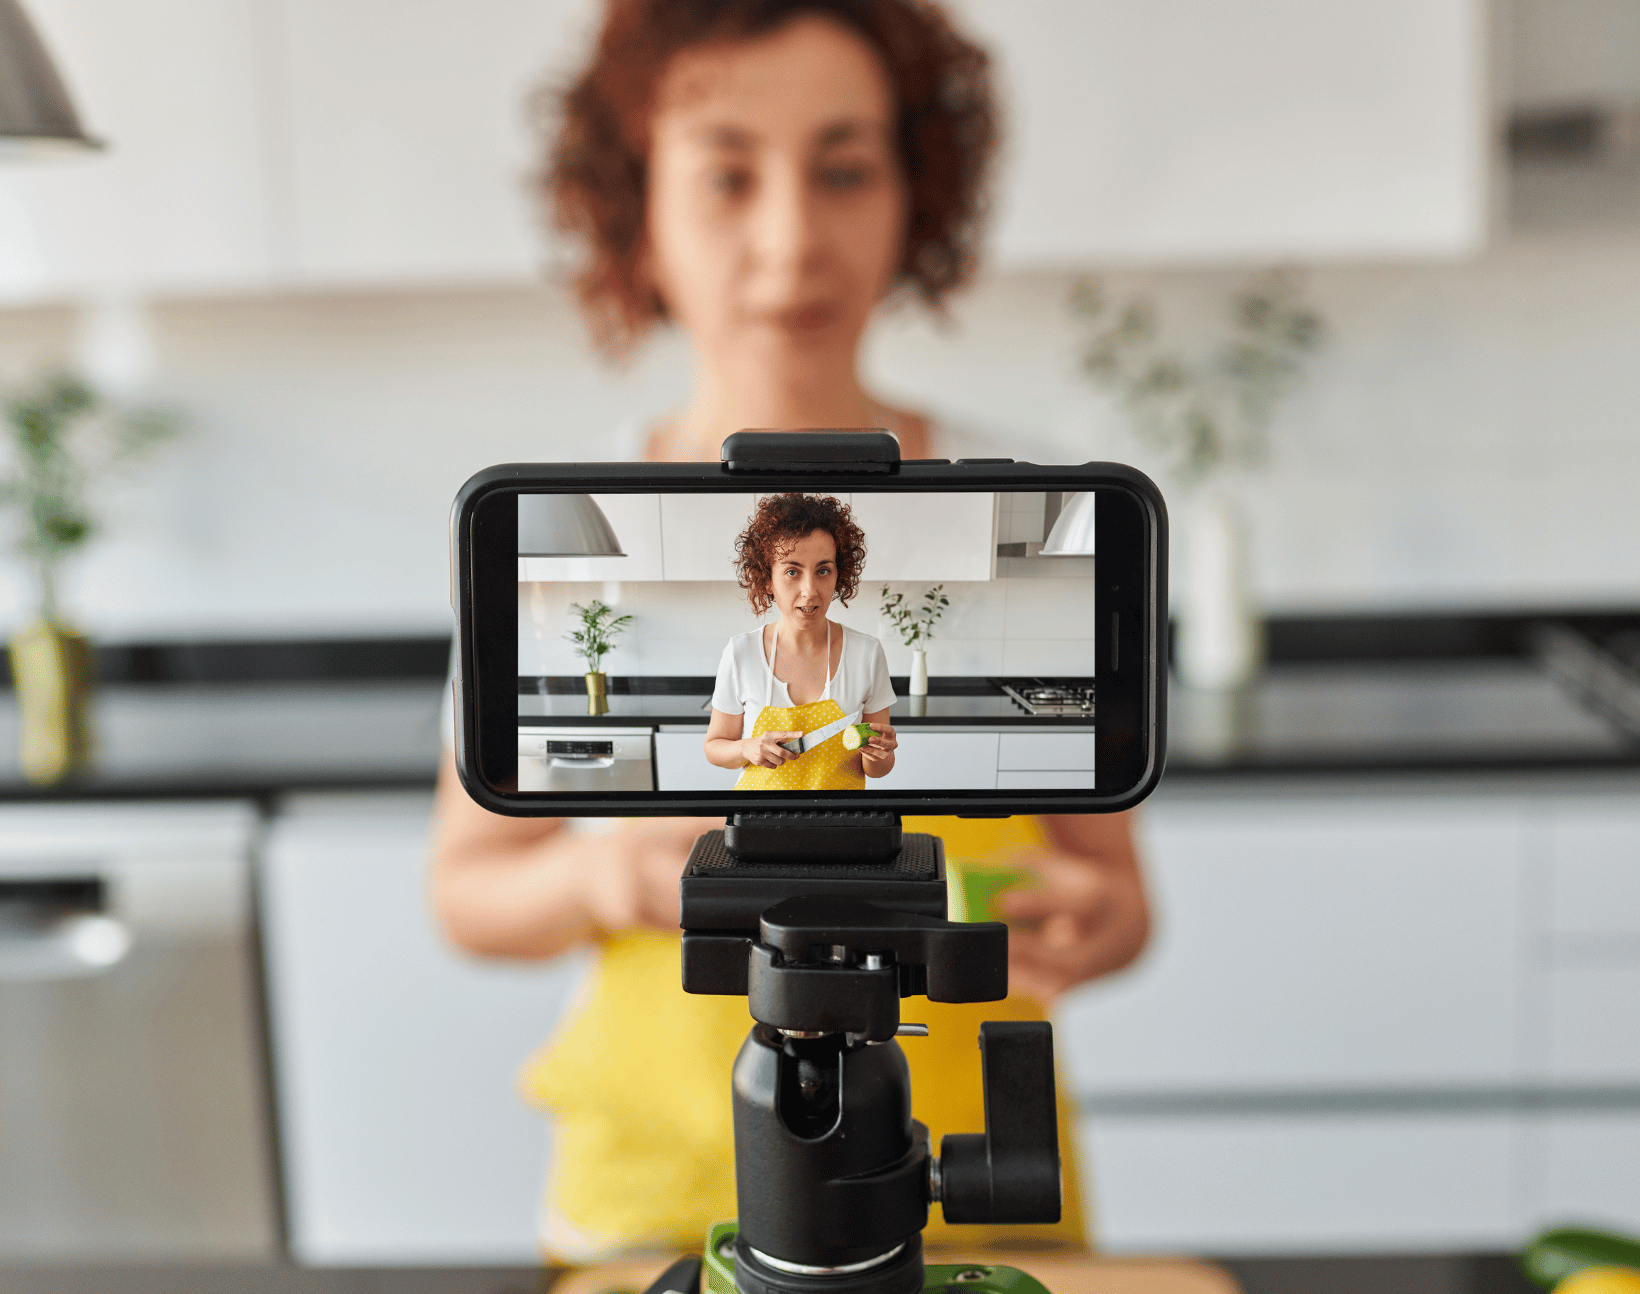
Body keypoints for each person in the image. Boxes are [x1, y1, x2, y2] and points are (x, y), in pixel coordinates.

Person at [431, 0, 1151, 1261]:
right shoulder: (565, 538)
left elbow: (1118, 890)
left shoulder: (1020, 525)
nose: (788, 238)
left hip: (966, 1168)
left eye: (843, 168)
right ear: (633, 203)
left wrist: (1089, 917)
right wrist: (604, 877)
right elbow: (468, 891)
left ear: (910, 193)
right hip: (652, 1191)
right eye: (724, 174)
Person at [706, 493, 898, 790]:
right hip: (761, 822)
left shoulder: (867, 654)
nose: (809, 591)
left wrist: (878, 754)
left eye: (823, 571)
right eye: (792, 572)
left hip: (840, 826)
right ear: (767, 579)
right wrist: (747, 748)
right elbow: (714, 747)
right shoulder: (741, 653)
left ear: (839, 576)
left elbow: (878, 769)